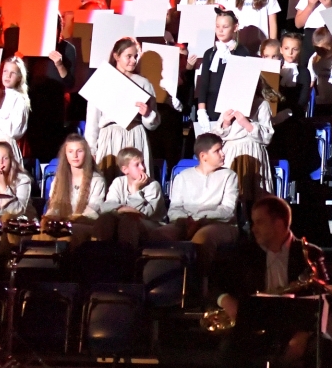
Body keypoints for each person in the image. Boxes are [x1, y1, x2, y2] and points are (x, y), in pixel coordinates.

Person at [213, 196, 326, 363]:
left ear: (279, 224)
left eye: (259, 222)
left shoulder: (309, 254)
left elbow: (324, 300)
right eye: (253, 222)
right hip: (254, 328)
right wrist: (225, 299)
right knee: (229, 348)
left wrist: (303, 334)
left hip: (296, 329)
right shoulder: (245, 252)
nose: (253, 229)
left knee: (321, 348)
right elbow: (215, 283)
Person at [160, 133, 240, 266]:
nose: (223, 154)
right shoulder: (183, 177)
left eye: (221, 149)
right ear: (203, 156)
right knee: (160, 235)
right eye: (217, 151)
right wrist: (188, 221)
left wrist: (199, 220)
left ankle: (199, 278)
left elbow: (228, 210)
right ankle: (165, 276)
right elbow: (174, 209)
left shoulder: (229, 176)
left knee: (201, 239)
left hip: (220, 224)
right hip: (186, 223)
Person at [85, 37, 159, 181]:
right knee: (109, 178)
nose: (133, 60)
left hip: (134, 135)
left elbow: (154, 124)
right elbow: (92, 119)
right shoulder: (102, 81)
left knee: (136, 180)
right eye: (128, 56)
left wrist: (147, 114)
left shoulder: (144, 83)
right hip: (110, 137)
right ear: (116, 56)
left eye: (135, 56)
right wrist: (91, 149)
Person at [212, 78, 275, 202]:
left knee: (253, 191)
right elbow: (216, 136)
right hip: (231, 152)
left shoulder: (262, 104)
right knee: (229, 190)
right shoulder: (228, 105)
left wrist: (247, 124)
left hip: (252, 151)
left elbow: (267, 136)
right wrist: (225, 123)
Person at [94, 146, 166, 248]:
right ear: (125, 169)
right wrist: (123, 209)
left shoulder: (153, 185)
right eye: (137, 165)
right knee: (106, 219)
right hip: (124, 220)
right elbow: (107, 206)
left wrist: (135, 190)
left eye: (143, 163)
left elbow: (145, 214)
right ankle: (103, 253)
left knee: (128, 221)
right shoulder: (118, 182)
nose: (142, 167)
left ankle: (127, 254)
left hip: (152, 224)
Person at [42, 134, 106, 244]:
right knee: (45, 230)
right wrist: (49, 218)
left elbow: (92, 211)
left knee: (71, 232)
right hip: (62, 223)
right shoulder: (58, 179)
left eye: (79, 151)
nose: (75, 156)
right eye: (70, 151)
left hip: (85, 225)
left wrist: (71, 221)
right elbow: (55, 205)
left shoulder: (97, 180)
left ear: (86, 153)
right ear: (65, 154)